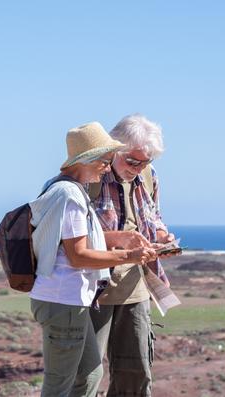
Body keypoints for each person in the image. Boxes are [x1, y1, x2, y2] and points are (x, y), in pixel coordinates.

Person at [29, 121, 157, 397]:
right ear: (87, 159)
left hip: (66, 300)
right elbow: (78, 255)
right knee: (62, 382)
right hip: (64, 300)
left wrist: (123, 242)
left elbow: (77, 244)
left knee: (87, 374)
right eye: (104, 160)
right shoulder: (71, 195)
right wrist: (129, 255)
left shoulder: (60, 189)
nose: (107, 166)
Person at [89, 114, 175, 397]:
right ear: (115, 149)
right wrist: (120, 241)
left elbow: (153, 218)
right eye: (132, 161)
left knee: (136, 374)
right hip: (93, 290)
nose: (138, 168)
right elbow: (72, 238)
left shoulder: (148, 176)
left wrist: (163, 237)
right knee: (86, 374)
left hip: (135, 288)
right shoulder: (91, 175)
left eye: (146, 162)